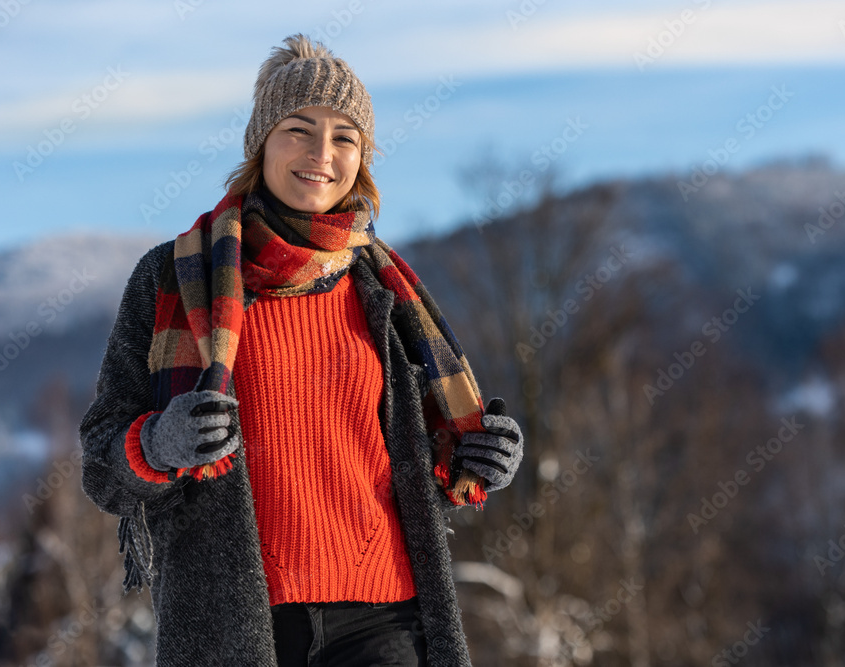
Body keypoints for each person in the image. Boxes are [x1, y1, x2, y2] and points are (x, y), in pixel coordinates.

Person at [78, 34, 524, 667]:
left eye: (345, 136)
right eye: (299, 128)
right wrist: (156, 445)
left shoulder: (385, 290)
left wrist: (480, 454)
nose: (322, 153)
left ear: (362, 158)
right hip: (236, 624)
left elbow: (426, 456)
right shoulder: (175, 277)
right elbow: (102, 460)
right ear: (261, 143)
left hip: (386, 617)